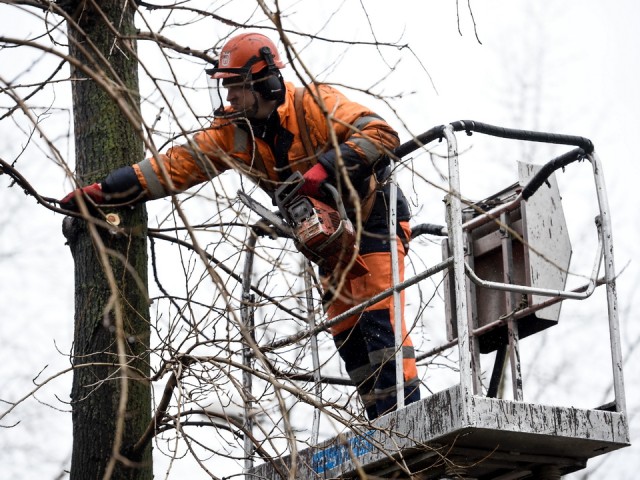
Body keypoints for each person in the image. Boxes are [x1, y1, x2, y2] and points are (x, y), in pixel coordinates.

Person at [60, 32, 420, 420]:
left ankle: (405, 423)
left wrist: (324, 169)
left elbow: (381, 134)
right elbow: (177, 165)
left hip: (373, 213)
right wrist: (107, 191)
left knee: (378, 315)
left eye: (235, 88)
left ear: (264, 81)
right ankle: (383, 424)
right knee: (347, 332)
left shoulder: (315, 104)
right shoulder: (233, 135)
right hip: (326, 236)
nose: (229, 99)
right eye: (226, 89)